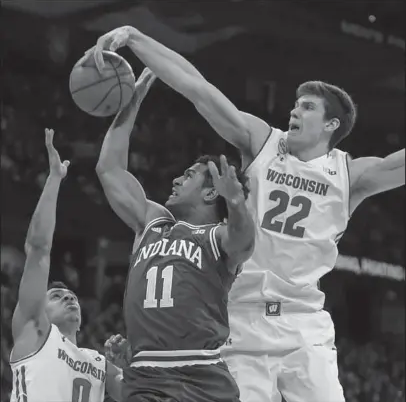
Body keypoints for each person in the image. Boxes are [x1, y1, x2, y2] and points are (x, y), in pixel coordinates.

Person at [87, 25, 405, 402]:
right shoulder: (261, 141)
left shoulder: (352, 175)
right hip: (240, 315)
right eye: (295, 102)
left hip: (303, 322)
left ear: (331, 125)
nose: (294, 109)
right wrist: (134, 38)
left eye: (307, 106)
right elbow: (197, 88)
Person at [95, 67, 255, 402]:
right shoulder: (152, 222)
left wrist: (237, 201)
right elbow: (109, 169)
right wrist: (133, 100)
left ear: (212, 194)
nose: (176, 180)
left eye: (189, 175)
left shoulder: (218, 236)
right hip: (147, 375)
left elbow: (245, 241)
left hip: (203, 375)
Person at [10, 129, 123, 402]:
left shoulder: (98, 362)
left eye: (71, 296)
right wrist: (54, 179)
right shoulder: (35, 332)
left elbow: (139, 395)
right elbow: (38, 250)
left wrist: (127, 365)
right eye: (57, 296)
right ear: (40, 309)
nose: (69, 298)